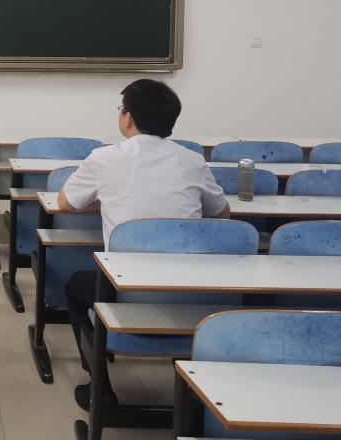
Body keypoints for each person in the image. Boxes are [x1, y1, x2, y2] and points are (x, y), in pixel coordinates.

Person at [56, 79, 229, 409]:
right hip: (194, 295)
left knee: (76, 287)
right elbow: (222, 213)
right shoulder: (192, 160)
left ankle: (100, 389)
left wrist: (107, 200)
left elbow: (66, 203)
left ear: (128, 117)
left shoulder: (104, 158)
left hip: (126, 294)